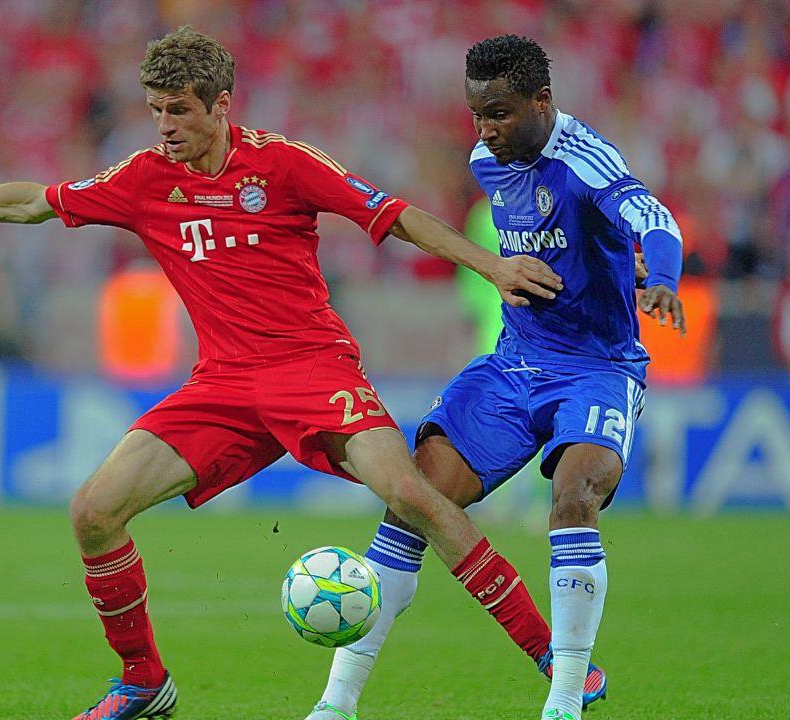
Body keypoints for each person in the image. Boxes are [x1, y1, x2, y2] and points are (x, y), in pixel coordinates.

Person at [0, 26, 569, 720]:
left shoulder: (285, 164)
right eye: (155, 111)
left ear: (221, 105)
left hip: (312, 370)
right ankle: (143, 682)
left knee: (412, 492)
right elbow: (36, 200)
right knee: (93, 511)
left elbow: (397, 216)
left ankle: (552, 655)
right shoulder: (145, 178)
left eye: (178, 111)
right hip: (221, 386)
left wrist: (493, 265)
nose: (164, 126)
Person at [307, 35, 686, 720]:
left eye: (502, 113)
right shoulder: (488, 161)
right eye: (477, 114)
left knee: (576, 497)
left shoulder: (584, 158)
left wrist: (657, 277)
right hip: (513, 364)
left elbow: (652, 218)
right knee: (414, 500)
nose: (486, 131)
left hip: (596, 369)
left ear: (543, 102)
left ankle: (565, 701)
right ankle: (335, 705)